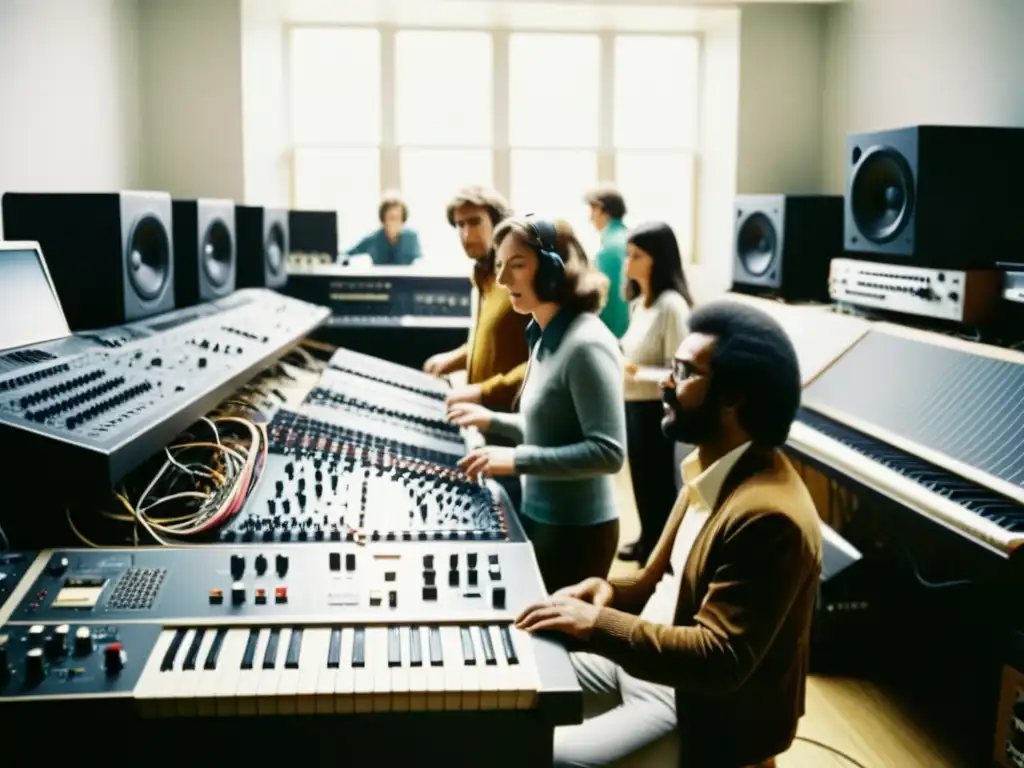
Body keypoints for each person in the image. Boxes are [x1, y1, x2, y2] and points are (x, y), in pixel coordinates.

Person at [516, 299, 824, 768]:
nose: (664, 383)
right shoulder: (709, 466)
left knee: (535, 759)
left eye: (683, 372)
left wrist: (597, 623)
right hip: (651, 668)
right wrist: (607, 590)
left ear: (732, 398)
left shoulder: (768, 517)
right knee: (511, 690)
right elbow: (655, 582)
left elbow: (718, 658)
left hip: (696, 706)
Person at [448, 216, 626, 592]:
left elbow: (608, 453)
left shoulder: (586, 344)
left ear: (553, 271)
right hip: (541, 516)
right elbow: (549, 427)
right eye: (500, 266)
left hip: (578, 532)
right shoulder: (542, 334)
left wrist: (515, 460)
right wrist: (492, 421)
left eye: (517, 266)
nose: (502, 281)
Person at [617, 221, 694, 565]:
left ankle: (660, 553)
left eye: (636, 255)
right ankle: (647, 538)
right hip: (633, 404)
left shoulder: (671, 306)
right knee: (640, 481)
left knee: (658, 485)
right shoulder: (640, 305)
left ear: (656, 260)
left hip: (657, 409)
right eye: (627, 255)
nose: (627, 262)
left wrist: (638, 371)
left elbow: (682, 370)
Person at [422, 186, 530, 410]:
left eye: (474, 222)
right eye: (460, 225)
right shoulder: (483, 278)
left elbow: (548, 360)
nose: (466, 235)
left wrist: (484, 392)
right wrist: (454, 359)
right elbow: (495, 342)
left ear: (499, 223)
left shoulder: (522, 279)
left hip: (516, 422)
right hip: (483, 419)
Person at [584, 184, 630, 339]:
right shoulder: (630, 240)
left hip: (614, 336)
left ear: (602, 210)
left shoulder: (608, 251)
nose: (590, 217)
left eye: (592, 210)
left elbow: (606, 303)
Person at [343, 191, 422, 265]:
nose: (395, 222)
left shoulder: (411, 238)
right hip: (381, 279)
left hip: (406, 278)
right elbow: (346, 255)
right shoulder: (373, 239)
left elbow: (420, 262)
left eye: (399, 218)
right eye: (391, 218)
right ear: (384, 220)